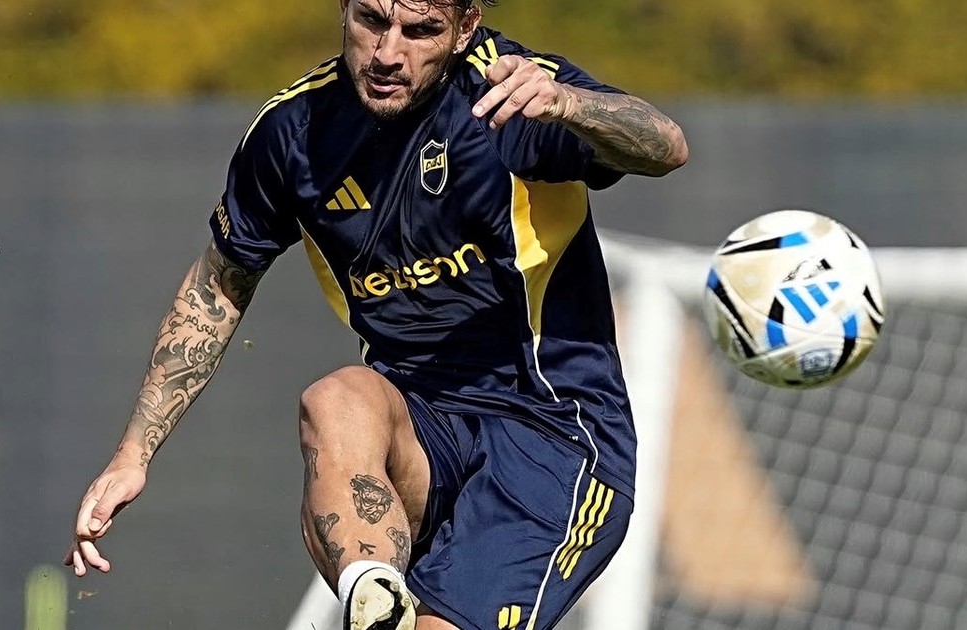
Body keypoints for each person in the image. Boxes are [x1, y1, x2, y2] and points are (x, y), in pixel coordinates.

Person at [65, 0, 688, 628]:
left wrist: (572, 106)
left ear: (466, 27)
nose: (389, 54)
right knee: (334, 400)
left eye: (420, 31)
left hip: (551, 438)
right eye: (372, 21)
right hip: (418, 428)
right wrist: (133, 453)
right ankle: (374, 596)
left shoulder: (511, 95)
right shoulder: (293, 132)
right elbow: (218, 287)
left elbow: (666, 147)